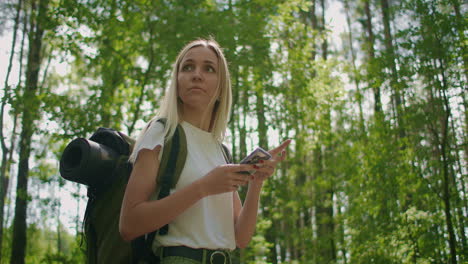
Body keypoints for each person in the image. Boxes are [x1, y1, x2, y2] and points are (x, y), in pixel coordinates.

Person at [119, 38, 291, 264]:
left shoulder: (220, 150)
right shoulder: (162, 132)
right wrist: (203, 187)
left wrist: (256, 182)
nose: (196, 75)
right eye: (187, 67)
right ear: (177, 82)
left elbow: (241, 237)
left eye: (208, 68)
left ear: (221, 88)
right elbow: (129, 225)